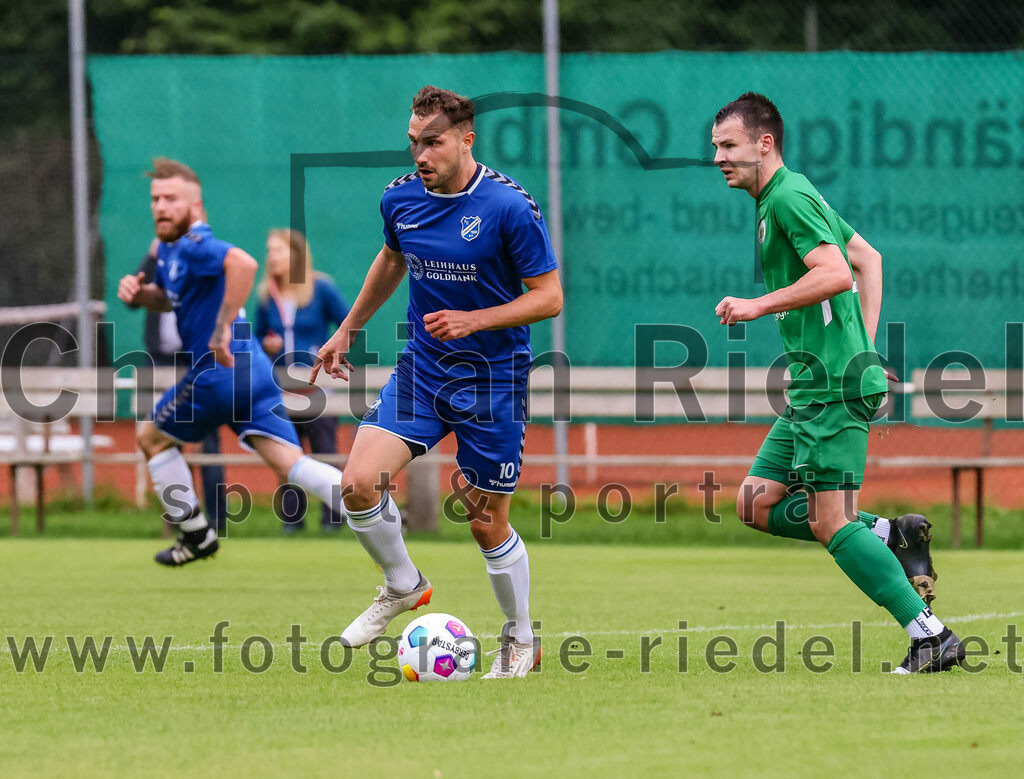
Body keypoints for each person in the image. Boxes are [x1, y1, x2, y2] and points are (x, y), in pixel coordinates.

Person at [312, 86, 562, 679]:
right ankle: (402, 584)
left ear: (466, 140)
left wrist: (476, 319)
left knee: (484, 522)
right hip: (423, 371)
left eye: (433, 143)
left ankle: (520, 638)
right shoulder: (401, 199)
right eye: (414, 143)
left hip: (492, 381)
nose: (420, 155)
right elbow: (392, 260)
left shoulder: (508, 207)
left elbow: (548, 298)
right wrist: (347, 328)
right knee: (357, 483)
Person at [711, 92, 964, 673]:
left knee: (829, 520)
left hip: (828, 385)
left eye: (729, 146)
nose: (719, 158)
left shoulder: (791, 197)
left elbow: (835, 272)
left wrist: (757, 305)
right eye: (716, 148)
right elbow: (869, 258)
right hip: (819, 379)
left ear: (764, 143)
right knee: (755, 501)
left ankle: (931, 636)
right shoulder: (787, 194)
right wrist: (866, 352)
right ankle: (890, 533)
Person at [117, 157, 346, 565]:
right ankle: (368, 503)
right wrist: (141, 295)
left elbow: (243, 263)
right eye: (155, 199)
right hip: (254, 372)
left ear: (197, 206)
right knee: (290, 463)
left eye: (172, 198)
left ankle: (196, 536)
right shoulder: (173, 252)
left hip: (217, 373)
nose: (161, 206)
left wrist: (221, 329)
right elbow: (171, 298)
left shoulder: (194, 242)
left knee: (151, 439)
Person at [130, 238, 227, 534]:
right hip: (159, 365)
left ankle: (218, 521)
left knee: (208, 446)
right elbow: (133, 298)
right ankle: (181, 523)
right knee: (161, 442)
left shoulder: (201, 264)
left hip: (197, 363)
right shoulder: (157, 265)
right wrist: (151, 254)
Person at [256, 228, 349, 533]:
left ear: (297, 255)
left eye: (279, 250)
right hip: (279, 390)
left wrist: (331, 352)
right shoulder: (266, 295)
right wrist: (266, 345)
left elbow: (349, 322)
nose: (273, 257)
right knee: (288, 452)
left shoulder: (320, 288)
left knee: (324, 450)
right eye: (270, 251)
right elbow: (255, 339)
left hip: (317, 387)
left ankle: (332, 521)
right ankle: (292, 522)